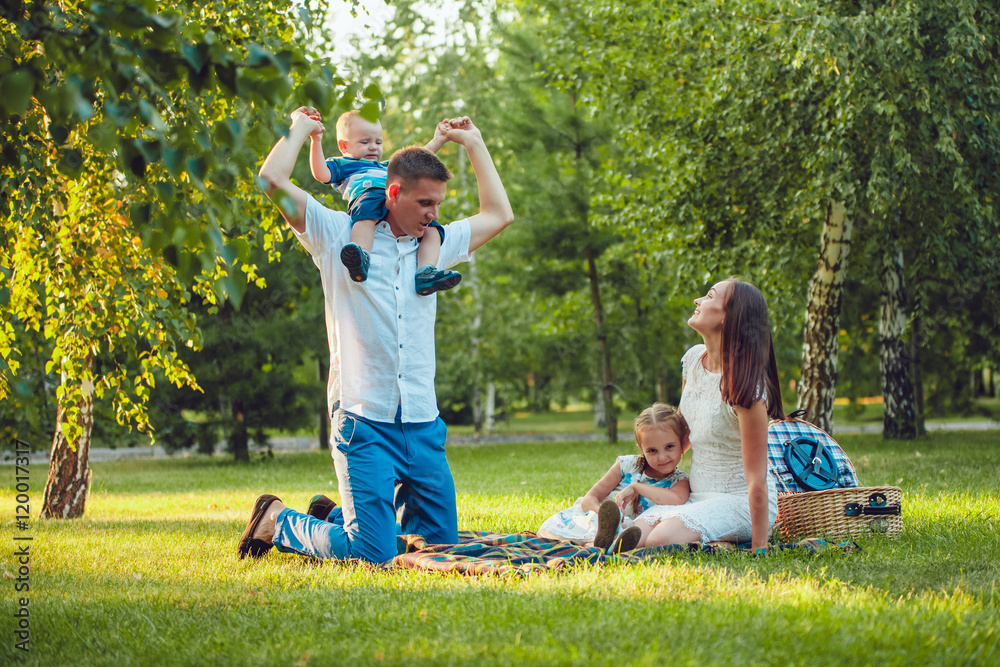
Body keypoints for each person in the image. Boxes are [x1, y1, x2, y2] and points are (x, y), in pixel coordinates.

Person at [238, 107, 514, 564]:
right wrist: (301, 131)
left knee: (440, 548)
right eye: (425, 203)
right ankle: (278, 519)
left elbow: (499, 214)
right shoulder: (336, 233)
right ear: (392, 192)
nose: (434, 213)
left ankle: (339, 518)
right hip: (363, 417)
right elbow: (271, 181)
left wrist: (475, 143)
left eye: (439, 203)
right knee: (374, 554)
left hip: (423, 422)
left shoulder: (435, 244)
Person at [623, 278, 786, 552]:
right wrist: (646, 474)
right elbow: (684, 433)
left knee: (658, 541)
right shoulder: (693, 361)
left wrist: (760, 547)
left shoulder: (748, 391)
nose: (697, 301)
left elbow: (756, 479)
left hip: (738, 502)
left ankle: (728, 542)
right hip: (696, 497)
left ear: (728, 318)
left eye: (709, 296)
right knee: (635, 536)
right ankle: (715, 541)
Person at [308, 109, 461, 295]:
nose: (373, 147)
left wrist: (438, 140)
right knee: (366, 215)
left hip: (393, 202)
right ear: (343, 146)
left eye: (378, 142)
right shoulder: (344, 165)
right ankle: (361, 256)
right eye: (365, 142)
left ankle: (426, 272)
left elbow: (416, 162)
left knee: (434, 229)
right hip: (367, 196)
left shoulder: (385, 166)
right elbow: (321, 173)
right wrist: (315, 141)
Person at [537, 403, 690, 553]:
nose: (662, 457)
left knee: (622, 537)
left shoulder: (679, 481)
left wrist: (636, 487)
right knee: (564, 534)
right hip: (596, 521)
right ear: (641, 447)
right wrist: (607, 518)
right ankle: (595, 544)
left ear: (682, 442)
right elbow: (589, 499)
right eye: (652, 450)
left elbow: (677, 499)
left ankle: (598, 546)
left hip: (629, 530)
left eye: (669, 447)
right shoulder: (628, 465)